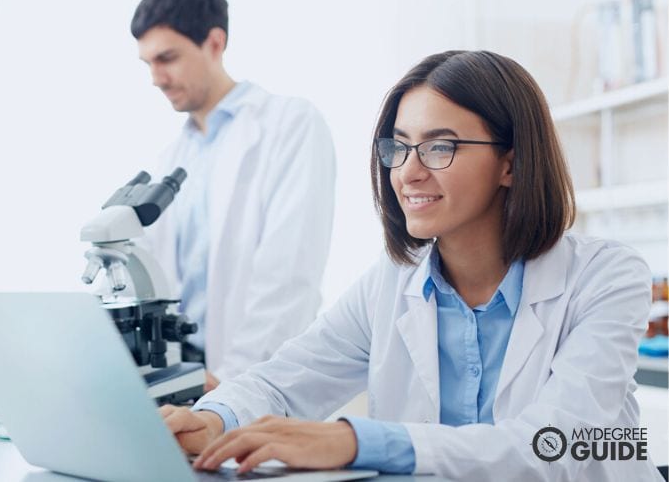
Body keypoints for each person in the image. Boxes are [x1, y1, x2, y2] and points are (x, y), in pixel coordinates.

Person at [160, 50, 662, 481]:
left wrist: (358, 442)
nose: (408, 171)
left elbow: (554, 446)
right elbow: (281, 380)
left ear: (510, 163)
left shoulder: (605, 277)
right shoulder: (390, 282)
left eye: (440, 146)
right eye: (397, 147)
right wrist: (214, 420)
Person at [130, 0, 336, 390]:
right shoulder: (172, 157)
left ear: (214, 42)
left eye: (167, 58)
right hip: (182, 375)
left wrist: (233, 381)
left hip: (249, 375)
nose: (156, 77)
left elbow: (289, 275)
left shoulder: (289, 125)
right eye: (147, 63)